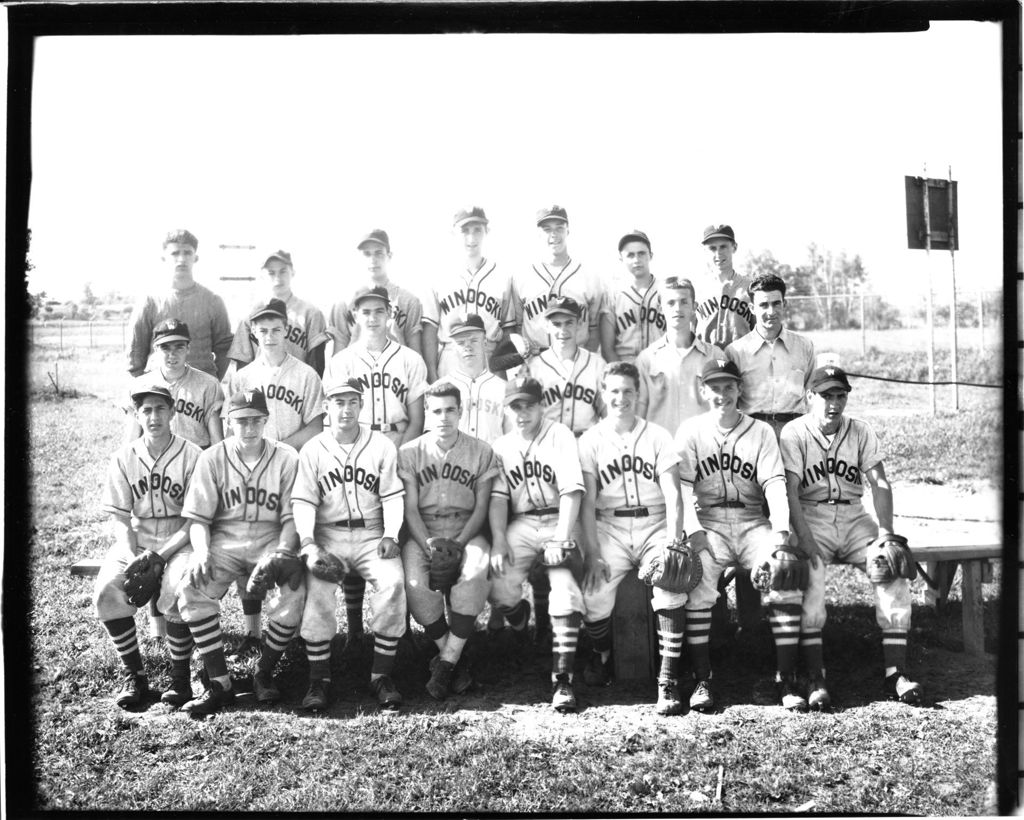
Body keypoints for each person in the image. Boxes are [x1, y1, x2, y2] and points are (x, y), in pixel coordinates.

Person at [781, 365, 923, 708]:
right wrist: (805, 538)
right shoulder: (794, 432)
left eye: (840, 395)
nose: (834, 403)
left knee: (890, 570)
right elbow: (790, 491)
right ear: (809, 397)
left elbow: (880, 483)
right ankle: (815, 674)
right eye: (826, 395)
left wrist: (886, 534)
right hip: (811, 515)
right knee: (811, 576)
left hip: (853, 516)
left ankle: (895, 672)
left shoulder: (860, 430)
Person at [675, 358, 807, 712]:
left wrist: (780, 535)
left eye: (729, 387)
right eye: (715, 388)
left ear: (739, 390)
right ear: (703, 392)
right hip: (710, 523)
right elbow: (682, 489)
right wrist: (693, 531)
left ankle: (786, 678)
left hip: (751, 522)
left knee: (785, 575)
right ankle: (703, 678)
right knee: (699, 584)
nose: (722, 395)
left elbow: (776, 486)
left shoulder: (761, 432)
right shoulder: (690, 431)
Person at [577, 361, 706, 716]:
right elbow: (587, 503)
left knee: (670, 584)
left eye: (628, 391)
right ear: (603, 395)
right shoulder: (590, 441)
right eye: (614, 391)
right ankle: (602, 653)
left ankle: (667, 679)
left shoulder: (658, 435)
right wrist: (592, 552)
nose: (621, 398)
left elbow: (673, 494)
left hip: (654, 524)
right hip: (610, 527)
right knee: (593, 594)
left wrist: (672, 540)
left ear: (638, 394)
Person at [176, 389, 305, 716]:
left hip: (271, 539)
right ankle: (221, 684)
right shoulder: (212, 458)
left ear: (265, 420)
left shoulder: (287, 457)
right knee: (191, 587)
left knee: (294, 591)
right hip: (225, 540)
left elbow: (293, 518)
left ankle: (264, 671)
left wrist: (282, 553)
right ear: (229, 422)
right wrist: (202, 551)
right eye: (240, 421)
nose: (248, 428)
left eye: (255, 421)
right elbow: (197, 520)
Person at [291, 376, 408, 713]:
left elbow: (392, 497)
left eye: (352, 401)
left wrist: (391, 534)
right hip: (328, 534)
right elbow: (303, 503)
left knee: (393, 584)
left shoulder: (382, 445)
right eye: (338, 402)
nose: (346, 408)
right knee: (318, 590)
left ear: (361, 405)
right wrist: (309, 543)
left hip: (372, 533)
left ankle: (381, 675)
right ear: (327, 407)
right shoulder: (313, 449)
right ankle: (319, 678)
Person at [94, 382, 202, 708]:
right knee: (106, 592)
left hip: (179, 539)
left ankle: (180, 680)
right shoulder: (123, 458)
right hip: (137, 540)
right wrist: (131, 556)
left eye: (160, 409)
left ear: (172, 412)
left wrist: (162, 554)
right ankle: (135, 677)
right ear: (137, 415)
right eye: (146, 410)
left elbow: (196, 520)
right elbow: (121, 520)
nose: (153, 416)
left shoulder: (193, 455)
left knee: (177, 589)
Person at [489, 377, 587, 712]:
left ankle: (562, 678)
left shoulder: (559, 434)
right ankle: (522, 621)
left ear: (541, 404)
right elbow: (500, 499)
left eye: (528, 405)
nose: (522, 412)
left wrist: (562, 536)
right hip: (523, 522)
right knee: (498, 582)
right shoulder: (501, 446)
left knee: (564, 587)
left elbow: (572, 490)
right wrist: (500, 538)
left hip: (560, 518)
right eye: (515, 406)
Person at [397, 382, 499, 700]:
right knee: (414, 583)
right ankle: (454, 656)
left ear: (461, 412)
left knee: (476, 572)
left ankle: (444, 665)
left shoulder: (481, 450)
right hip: (423, 530)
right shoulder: (410, 452)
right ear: (427, 413)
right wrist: (429, 543)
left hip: (466, 528)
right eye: (437, 411)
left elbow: (481, 507)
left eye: (450, 410)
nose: (444, 417)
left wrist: (458, 544)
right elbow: (410, 509)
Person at [323, 285, 427, 448]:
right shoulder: (340, 362)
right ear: (356, 316)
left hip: (399, 440)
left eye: (379, 311)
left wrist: (402, 454)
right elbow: (334, 420)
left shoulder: (411, 359)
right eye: (366, 312)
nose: (372, 318)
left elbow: (417, 420)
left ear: (389, 313)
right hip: (356, 443)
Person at [421, 206, 516, 382]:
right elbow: (430, 330)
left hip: (490, 356)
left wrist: (501, 367)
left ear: (487, 231)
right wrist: (432, 373)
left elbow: (508, 329)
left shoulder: (503, 276)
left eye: (477, 230)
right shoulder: (437, 276)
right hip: (451, 356)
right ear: (453, 233)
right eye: (465, 231)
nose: (471, 238)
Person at [128, 229, 233, 380]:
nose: (181, 259)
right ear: (163, 258)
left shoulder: (213, 301)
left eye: (187, 253)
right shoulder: (149, 302)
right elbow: (135, 352)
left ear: (195, 257)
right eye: (175, 253)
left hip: (200, 391)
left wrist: (212, 381)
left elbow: (224, 348)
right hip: (159, 391)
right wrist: (145, 389)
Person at [223, 298, 325, 452]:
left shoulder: (307, 375)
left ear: (286, 330)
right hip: (251, 460)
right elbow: (231, 430)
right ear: (254, 331)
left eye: (276, 330)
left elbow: (316, 428)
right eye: (263, 331)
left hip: (292, 460)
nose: (269, 337)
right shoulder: (240, 378)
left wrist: (277, 451)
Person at [725, 272, 816, 439]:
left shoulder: (804, 346)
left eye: (776, 304)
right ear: (752, 308)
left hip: (795, 434)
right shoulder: (736, 352)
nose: (771, 311)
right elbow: (730, 402)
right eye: (763, 305)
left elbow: (813, 397)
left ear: (784, 304)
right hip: (752, 434)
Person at [511, 205, 609, 358]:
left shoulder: (589, 276)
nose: (554, 234)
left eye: (559, 228)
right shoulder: (521, 277)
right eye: (547, 229)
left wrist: (584, 363)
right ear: (538, 234)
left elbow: (594, 329)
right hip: (535, 360)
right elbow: (516, 328)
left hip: (576, 357)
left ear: (568, 231)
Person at [635, 276, 725, 434]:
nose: (677, 308)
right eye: (670, 303)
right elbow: (640, 410)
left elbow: (724, 408)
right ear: (660, 308)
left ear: (694, 307)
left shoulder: (714, 356)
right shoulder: (647, 359)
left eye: (684, 302)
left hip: (704, 450)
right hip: (661, 451)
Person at [226, 249, 329, 378]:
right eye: (271, 273)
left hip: (297, 385)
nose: (277, 278)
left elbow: (317, 363)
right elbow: (242, 364)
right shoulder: (250, 316)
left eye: (283, 271)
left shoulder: (311, 313)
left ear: (293, 272)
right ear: (262, 275)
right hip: (260, 386)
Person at [124, 319, 224, 449]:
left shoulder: (209, 384)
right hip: (154, 458)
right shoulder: (139, 386)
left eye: (179, 347)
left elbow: (217, 441)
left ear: (188, 348)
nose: (172, 354)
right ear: (155, 350)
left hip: (196, 457)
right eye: (165, 348)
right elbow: (132, 438)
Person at [326, 229, 424, 359]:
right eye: (367, 254)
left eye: (379, 253)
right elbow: (338, 353)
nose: (373, 260)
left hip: (396, 372)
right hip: (356, 373)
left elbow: (415, 352)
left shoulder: (408, 300)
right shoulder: (343, 303)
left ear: (389, 256)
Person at [526, 296, 607, 436]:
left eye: (569, 323)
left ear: (580, 323)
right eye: (556, 324)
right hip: (547, 444)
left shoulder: (597, 364)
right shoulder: (534, 367)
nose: (563, 330)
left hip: (585, 443)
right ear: (546, 326)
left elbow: (608, 415)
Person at [426, 314, 509, 443]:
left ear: (485, 342)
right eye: (460, 342)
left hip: (493, 461)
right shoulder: (436, 390)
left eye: (474, 340)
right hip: (452, 461)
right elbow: (431, 442)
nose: (468, 347)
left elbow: (512, 441)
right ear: (453, 347)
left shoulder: (504, 389)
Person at [601, 230, 665, 363]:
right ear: (621, 259)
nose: (636, 260)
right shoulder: (613, 295)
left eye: (641, 253)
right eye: (630, 255)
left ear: (650, 256)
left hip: (660, 364)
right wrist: (622, 374)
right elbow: (607, 349)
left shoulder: (665, 291)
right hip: (625, 363)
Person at [693, 224, 755, 349]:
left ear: (734, 247)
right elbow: (691, 330)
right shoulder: (697, 288)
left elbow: (758, 330)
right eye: (712, 248)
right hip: (706, 360)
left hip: (741, 359)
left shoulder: (750, 286)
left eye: (723, 247)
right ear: (705, 250)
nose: (718, 253)